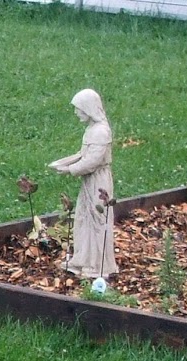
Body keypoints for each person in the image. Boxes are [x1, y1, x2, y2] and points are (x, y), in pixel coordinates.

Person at [48, 89, 117, 279]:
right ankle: (83, 258)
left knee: (97, 219)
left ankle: (97, 264)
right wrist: (65, 162)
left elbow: (92, 161)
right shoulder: (92, 130)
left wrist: (70, 169)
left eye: (79, 109)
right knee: (83, 218)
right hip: (89, 180)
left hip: (98, 181)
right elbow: (83, 155)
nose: (76, 113)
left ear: (88, 108)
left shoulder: (101, 132)